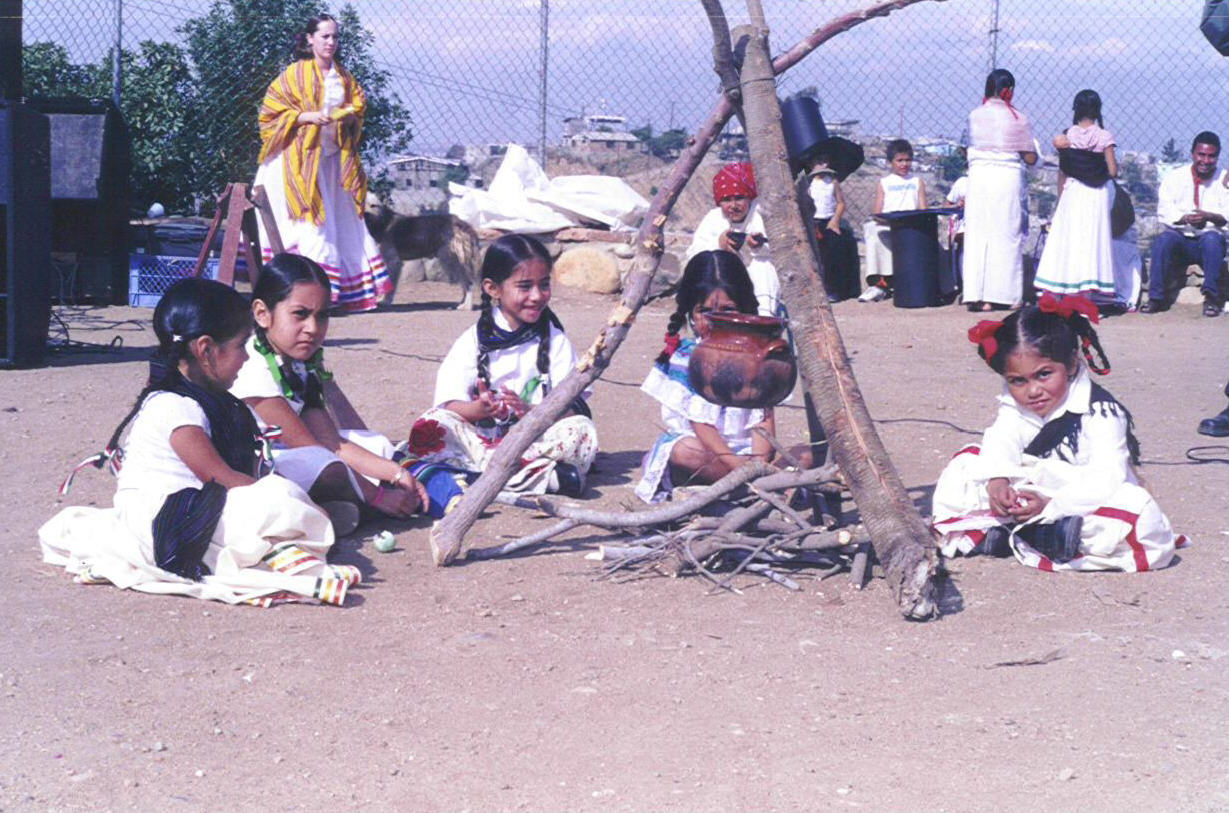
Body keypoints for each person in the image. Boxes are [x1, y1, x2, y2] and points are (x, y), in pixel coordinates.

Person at [40, 279, 359, 606]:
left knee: (287, 482)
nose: (247, 359)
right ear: (206, 350)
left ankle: (296, 533)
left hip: (198, 507)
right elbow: (225, 480)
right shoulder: (173, 408)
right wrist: (296, 503)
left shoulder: (209, 397)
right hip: (168, 525)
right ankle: (298, 537)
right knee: (276, 497)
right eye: (241, 346)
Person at [931, 293, 1184, 572]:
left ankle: (1035, 534)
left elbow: (1106, 479)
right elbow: (1002, 437)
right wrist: (997, 481)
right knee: (966, 462)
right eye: (1017, 381)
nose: (1033, 390)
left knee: (1138, 513)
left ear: (1072, 364)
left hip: (1077, 497)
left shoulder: (1101, 412)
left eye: (1044, 374)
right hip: (1027, 490)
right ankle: (1020, 532)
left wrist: (1052, 504)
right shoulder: (1015, 403)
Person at [230, 253, 426, 532]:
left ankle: (334, 509)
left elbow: (329, 440)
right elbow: (309, 446)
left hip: (300, 453)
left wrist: (397, 473)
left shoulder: (298, 362)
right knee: (325, 465)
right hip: (255, 466)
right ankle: (344, 508)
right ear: (262, 314)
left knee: (377, 444)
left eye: (322, 316)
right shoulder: (253, 365)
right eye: (300, 314)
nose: (313, 328)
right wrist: (379, 495)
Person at [407, 234, 598, 498]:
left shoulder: (555, 340)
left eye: (544, 285)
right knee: (429, 425)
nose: (537, 296)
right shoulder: (472, 340)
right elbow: (448, 405)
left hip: (533, 443)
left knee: (581, 430)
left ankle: (476, 480)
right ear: (492, 289)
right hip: (482, 443)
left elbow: (576, 407)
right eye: (524, 286)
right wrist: (478, 409)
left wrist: (532, 412)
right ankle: (536, 480)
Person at [636, 251, 813, 503]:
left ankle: (751, 486)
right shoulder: (688, 356)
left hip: (750, 458)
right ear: (690, 312)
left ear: (744, 309)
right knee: (684, 451)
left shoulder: (756, 356)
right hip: (706, 455)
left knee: (808, 452)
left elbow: (763, 420)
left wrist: (759, 464)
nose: (715, 320)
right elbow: (700, 425)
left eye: (728, 310)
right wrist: (741, 468)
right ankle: (763, 487)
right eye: (704, 311)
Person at [255, 13, 390, 313]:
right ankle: (301, 296)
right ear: (309, 39)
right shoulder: (293, 75)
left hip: (331, 164)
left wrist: (349, 116)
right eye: (325, 36)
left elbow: (358, 105)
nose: (331, 42)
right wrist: (306, 117)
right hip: (294, 167)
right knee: (308, 228)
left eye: (335, 37)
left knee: (337, 227)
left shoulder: (342, 77)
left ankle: (327, 295)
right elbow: (269, 115)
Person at [962, 69, 1038, 312]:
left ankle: (977, 295)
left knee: (978, 233)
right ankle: (1003, 295)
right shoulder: (1018, 119)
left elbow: (964, 149)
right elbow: (1029, 156)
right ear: (1010, 90)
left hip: (979, 178)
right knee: (1006, 234)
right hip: (1007, 178)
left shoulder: (974, 116)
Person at [1034, 90, 1119, 306]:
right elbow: (1112, 170)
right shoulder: (1104, 136)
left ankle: (1063, 292)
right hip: (1095, 194)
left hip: (1073, 192)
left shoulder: (1066, 137)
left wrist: (1062, 196)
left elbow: (1063, 171)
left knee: (1070, 240)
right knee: (1090, 241)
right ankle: (1085, 297)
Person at [1143, 131, 1227, 317]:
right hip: (1180, 239)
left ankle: (1212, 299)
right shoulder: (1175, 177)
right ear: (1192, 154)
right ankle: (1155, 298)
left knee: (1212, 239)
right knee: (1164, 239)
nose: (1205, 160)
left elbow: (1227, 216)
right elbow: (1164, 210)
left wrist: (1209, 216)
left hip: (1208, 242)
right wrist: (1185, 218)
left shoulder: (1224, 179)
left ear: (1217, 157)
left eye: (1211, 156)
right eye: (1201, 155)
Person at [686, 162, 781, 316]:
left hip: (757, 278)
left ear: (749, 198)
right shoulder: (713, 218)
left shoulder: (762, 213)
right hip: (723, 281)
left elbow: (780, 249)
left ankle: (763, 319)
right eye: (727, 200)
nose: (733, 205)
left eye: (739, 198)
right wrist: (718, 245)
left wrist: (756, 247)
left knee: (763, 267)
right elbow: (694, 254)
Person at [860, 139, 927, 302]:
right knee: (872, 230)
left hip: (911, 225)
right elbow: (877, 212)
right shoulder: (884, 183)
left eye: (907, 160)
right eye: (899, 160)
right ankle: (879, 283)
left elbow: (923, 209)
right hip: (889, 224)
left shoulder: (916, 182)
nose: (904, 164)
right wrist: (888, 221)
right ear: (891, 162)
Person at [804, 153, 860, 301]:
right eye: (819, 161)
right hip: (813, 221)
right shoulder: (807, 182)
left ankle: (835, 289)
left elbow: (841, 203)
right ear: (811, 164)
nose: (823, 165)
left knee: (834, 250)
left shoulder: (832, 181)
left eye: (825, 161)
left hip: (829, 221)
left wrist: (835, 220)